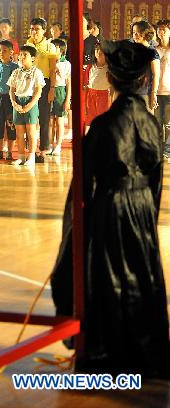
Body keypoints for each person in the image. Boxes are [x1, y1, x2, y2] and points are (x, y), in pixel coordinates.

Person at [51, 40, 169, 377]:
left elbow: (84, 183)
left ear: (113, 80)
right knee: (141, 273)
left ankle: (106, 350)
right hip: (143, 206)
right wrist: (148, 213)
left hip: (111, 207)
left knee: (108, 276)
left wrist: (76, 225)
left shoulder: (103, 126)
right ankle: (141, 349)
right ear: (145, 80)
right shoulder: (151, 123)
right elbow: (157, 179)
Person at [25, 17, 58, 162]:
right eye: (32, 28)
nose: (34, 32)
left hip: (44, 84)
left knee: (44, 118)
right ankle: (30, 150)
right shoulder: (28, 43)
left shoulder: (50, 47)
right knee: (30, 118)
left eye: (37, 29)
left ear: (44, 31)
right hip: (29, 84)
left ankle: (43, 151)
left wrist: (52, 88)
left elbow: (53, 70)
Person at [7, 45, 45, 167]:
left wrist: (30, 105)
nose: (22, 57)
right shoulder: (16, 72)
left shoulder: (37, 72)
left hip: (30, 102)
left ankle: (31, 157)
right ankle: (21, 156)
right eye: (21, 55)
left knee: (31, 131)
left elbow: (38, 91)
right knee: (19, 132)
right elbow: (11, 90)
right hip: (18, 102)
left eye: (25, 55)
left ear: (33, 58)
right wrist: (14, 103)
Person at [0, 40, 18, 162]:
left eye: (5, 50)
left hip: (10, 99)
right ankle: (0, 151)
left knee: (10, 125)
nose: (1, 53)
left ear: (11, 52)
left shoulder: (15, 67)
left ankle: (10, 152)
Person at [131, 20, 160, 112]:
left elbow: (156, 75)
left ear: (145, 33)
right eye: (133, 32)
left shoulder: (152, 52)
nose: (134, 35)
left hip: (145, 94)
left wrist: (153, 94)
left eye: (137, 32)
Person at [49, 38, 71, 155]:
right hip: (49, 91)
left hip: (60, 91)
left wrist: (67, 99)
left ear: (62, 51)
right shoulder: (49, 62)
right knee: (50, 121)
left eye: (55, 48)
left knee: (59, 120)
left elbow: (68, 83)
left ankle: (58, 145)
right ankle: (51, 144)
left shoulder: (66, 64)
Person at [85, 42, 111, 130]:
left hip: (104, 95)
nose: (99, 52)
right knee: (90, 118)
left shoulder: (109, 68)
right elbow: (86, 83)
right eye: (97, 50)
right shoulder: (90, 67)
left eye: (102, 50)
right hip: (90, 95)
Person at [156, 19, 170, 159]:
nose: (160, 32)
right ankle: (159, 150)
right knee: (157, 122)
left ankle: (168, 151)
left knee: (168, 123)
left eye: (163, 29)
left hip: (169, 91)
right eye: (159, 29)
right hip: (156, 91)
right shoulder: (155, 49)